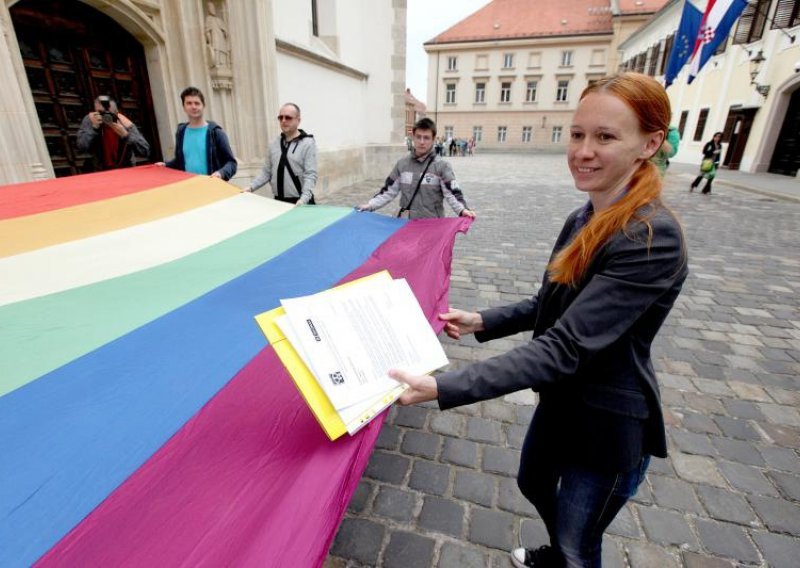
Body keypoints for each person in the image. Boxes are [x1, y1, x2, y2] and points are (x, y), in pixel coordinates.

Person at [390, 73, 688, 567]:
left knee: (579, 543)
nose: (583, 151)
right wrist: (481, 319)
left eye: (605, 137)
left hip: (606, 423)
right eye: (577, 134)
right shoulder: (584, 216)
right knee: (532, 481)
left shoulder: (652, 237)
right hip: (562, 401)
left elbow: (564, 345)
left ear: (649, 143)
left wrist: (444, 387)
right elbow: (547, 306)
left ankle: (564, 555)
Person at [356, 117, 476, 219]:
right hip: (406, 225)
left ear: (433, 139)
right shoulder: (402, 164)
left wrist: (463, 210)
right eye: (418, 137)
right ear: (413, 137)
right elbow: (388, 191)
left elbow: (453, 194)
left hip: (431, 226)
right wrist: (370, 205)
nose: (422, 142)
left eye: (426, 137)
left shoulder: (442, 166)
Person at [157, 87, 237, 181]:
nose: (193, 107)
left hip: (213, 187)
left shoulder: (216, 133)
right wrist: (166, 165)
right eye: (189, 103)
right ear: (184, 107)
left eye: (197, 103)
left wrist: (220, 173)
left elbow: (231, 163)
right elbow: (180, 161)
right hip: (189, 187)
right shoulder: (181, 132)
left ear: (203, 105)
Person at [247, 103, 317, 205]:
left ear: (298, 120)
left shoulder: (308, 143)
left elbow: (310, 174)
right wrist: (251, 187)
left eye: (288, 117)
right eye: (280, 117)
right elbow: (266, 172)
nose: (283, 120)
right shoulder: (273, 144)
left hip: (300, 202)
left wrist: (303, 199)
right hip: (279, 202)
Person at [76, 96, 150, 172]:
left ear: (116, 112)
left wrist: (126, 135)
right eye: (101, 112)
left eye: (109, 113)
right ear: (95, 111)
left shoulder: (123, 121)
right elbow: (81, 147)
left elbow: (145, 151)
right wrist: (93, 128)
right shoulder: (91, 120)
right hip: (100, 171)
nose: (106, 116)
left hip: (126, 170)